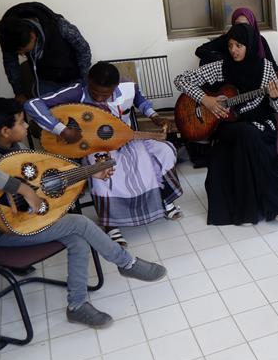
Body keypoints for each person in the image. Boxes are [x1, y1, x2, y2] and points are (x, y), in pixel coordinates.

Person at [0, 98, 167, 328]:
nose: (27, 127)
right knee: (79, 223)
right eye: (20, 123)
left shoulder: (13, 152)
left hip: (24, 221)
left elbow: (45, 184)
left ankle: (76, 306)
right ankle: (127, 264)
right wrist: (25, 190)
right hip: (5, 234)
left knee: (77, 240)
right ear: (5, 131)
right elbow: (22, 187)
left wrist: (90, 173)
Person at [25, 62, 182, 247]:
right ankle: (110, 223)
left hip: (125, 137)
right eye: (95, 91)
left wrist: (155, 116)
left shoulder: (126, 88)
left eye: (105, 94)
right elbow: (32, 104)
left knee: (163, 150)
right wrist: (61, 130)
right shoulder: (77, 91)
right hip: (95, 145)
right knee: (99, 167)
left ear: (114, 87)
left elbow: (140, 100)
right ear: (88, 81)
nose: (99, 97)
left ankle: (164, 200)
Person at [175, 23, 278, 226]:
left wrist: (276, 96)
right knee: (244, 134)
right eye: (230, 46)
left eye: (239, 46)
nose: (233, 50)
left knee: (249, 135)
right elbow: (181, 80)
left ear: (250, 45)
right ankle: (261, 207)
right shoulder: (221, 67)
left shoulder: (266, 68)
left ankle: (262, 208)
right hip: (229, 125)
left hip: (260, 122)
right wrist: (205, 99)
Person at [0, 2, 92, 101]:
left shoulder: (59, 26)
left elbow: (83, 50)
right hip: (45, 81)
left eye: (22, 50)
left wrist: (84, 79)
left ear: (33, 36)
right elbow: (11, 65)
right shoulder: (7, 35)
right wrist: (19, 92)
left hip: (73, 77)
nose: (21, 54)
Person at [194, 7, 278, 82]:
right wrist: (222, 60)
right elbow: (200, 50)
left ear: (252, 24)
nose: (242, 28)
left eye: (246, 24)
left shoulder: (259, 40)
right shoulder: (227, 39)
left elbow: (271, 63)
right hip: (232, 87)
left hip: (255, 85)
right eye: (238, 24)